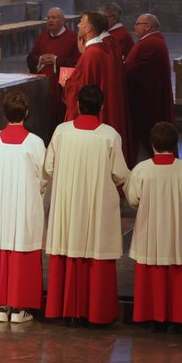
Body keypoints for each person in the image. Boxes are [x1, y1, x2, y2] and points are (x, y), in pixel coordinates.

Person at [44, 85, 130, 326]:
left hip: (68, 205)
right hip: (96, 205)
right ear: (101, 108)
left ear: (79, 105)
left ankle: (66, 309)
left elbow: (49, 168)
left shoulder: (62, 132)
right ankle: (96, 313)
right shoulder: (109, 135)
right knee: (95, 249)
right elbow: (120, 174)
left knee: (68, 246)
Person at [125, 123, 182, 330]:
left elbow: (133, 199)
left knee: (150, 270)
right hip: (177, 230)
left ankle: (150, 315)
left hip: (149, 229)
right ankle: (178, 318)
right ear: (175, 144)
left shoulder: (141, 170)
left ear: (152, 144)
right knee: (177, 269)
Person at [0, 92, 46, 324]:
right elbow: (45, 177)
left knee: (1, 251)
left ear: (4, 113)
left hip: (0, 209)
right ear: (26, 113)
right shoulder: (35, 143)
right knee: (22, 251)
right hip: (24, 207)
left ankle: (2, 306)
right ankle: (20, 309)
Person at [63, 11, 129, 161]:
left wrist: (67, 83)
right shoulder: (100, 49)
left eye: (81, 22)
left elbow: (78, 88)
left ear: (88, 29)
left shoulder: (91, 55)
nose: (78, 24)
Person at [123, 14, 175, 164]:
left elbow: (132, 69)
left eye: (137, 24)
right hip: (150, 95)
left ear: (148, 26)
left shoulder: (149, 44)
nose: (135, 27)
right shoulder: (154, 41)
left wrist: (120, 68)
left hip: (146, 100)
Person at [25, 8, 80, 128]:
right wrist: (40, 59)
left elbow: (78, 62)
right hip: (42, 88)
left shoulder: (72, 37)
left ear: (63, 20)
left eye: (54, 18)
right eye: (48, 18)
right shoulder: (42, 37)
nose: (50, 20)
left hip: (61, 89)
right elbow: (30, 58)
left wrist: (56, 60)